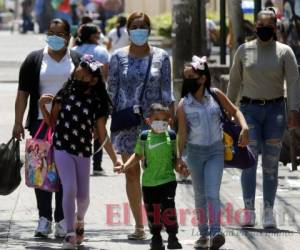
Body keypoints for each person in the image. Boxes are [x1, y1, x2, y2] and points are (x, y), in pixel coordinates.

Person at [227, 9, 300, 229]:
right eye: (261, 25)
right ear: (255, 26)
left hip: (276, 113)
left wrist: (294, 110)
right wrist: (228, 109)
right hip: (249, 112)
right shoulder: (244, 51)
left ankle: (268, 211)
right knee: (249, 161)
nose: (264, 28)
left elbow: (294, 81)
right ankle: (249, 210)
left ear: (275, 27)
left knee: (271, 164)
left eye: (269, 25)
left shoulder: (284, 52)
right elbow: (234, 81)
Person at [39, 55, 121, 249]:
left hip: (83, 151)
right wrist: (42, 105)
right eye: (79, 70)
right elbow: (52, 123)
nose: (80, 73)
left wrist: (115, 159)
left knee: (83, 197)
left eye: (85, 72)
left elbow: (102, 134)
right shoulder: (64, 93)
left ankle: (80, 221)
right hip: (62, 148)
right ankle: (69, 234)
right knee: (69, 188)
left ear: (93, 79)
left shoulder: (97, 102)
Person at [107, 11, 174, 240]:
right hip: (126, 124)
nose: (138, 30)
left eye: (142, 26)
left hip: (155, 124)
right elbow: (112, 91)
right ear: (128, 30)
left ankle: (160, 219)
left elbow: (168, 92)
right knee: (132, 173)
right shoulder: (117, 57)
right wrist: (107, 120)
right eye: (134, 27)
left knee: (157, 173)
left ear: (149, 29)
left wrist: (170, 125)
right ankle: (139, 225)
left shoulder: (162, 57)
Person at [12, 18, 81, 238]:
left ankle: (62, 219)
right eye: (50, 32)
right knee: (40, 171)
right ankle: (44, 219)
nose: (54, 37)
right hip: (40, 124)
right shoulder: (34, 59)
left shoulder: (77, 60)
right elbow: (22, 93)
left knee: (64, 174)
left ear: (68, 37)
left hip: (69, 125)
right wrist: (17, 122)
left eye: (59, 34)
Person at [177, 56, 249, 249]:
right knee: (200, 195)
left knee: (212, 193)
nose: (188, 80)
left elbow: (235, 111)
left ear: (202, 78)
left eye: (191, 76)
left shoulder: (216, 95)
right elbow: (182, 133)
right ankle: (203, 234)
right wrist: (179, 158)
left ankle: (216, 231)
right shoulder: (183, 104)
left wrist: (244, 127)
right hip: (194, 153)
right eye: (186, 77)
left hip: (215, 152)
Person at [115, 103, 183, 250]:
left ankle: (172, 237)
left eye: (164, 120)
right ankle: (156, 237)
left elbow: (176, 159)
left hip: (168, 181)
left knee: (168, 209)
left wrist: (181, 168)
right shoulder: (144, 137)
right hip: (149, 184)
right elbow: (138, 155)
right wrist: (125, 166)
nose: (161, 123)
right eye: (157, 119)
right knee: (153, 212)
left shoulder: (171, 136)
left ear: (169, 121)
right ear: (148, 121)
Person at [72, 22, 110, 175]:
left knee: (78, 128)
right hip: (99, 95)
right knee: (99, 129)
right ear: (92, 35)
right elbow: (105, 74)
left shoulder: (73, 50)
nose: (100, 36)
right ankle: (97, 164)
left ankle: (77, 160)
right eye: (97, 33)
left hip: (78, 95)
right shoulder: (101, 50)